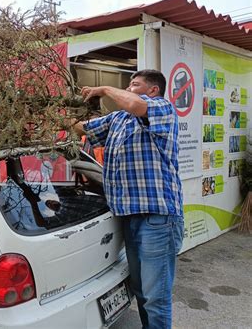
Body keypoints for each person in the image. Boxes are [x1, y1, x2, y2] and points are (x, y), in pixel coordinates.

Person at [73, 69, 184, 329]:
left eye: (134, 84)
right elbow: (84, 129)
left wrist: (102, 90)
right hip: (130, 217)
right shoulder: (119, 118)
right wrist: (52, 112)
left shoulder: (163, 108)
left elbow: (134, 104)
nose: (129, 88)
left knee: (157, 296)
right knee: (141, 290)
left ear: (153, 90)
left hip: (158, 219)